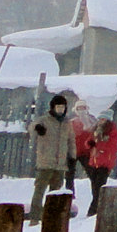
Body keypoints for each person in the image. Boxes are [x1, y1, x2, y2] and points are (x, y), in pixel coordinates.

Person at [26, 91, 74, 222]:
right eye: (58, 107)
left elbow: (71, 140)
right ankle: (34, 218)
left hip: (60, 164)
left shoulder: (66, 123)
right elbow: (32, 127)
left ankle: (50, 218)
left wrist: (72, 156)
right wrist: (38, 128)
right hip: (45, 162)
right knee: (39, 190)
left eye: (63, 107)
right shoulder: (44, 120)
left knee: (55, 192)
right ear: (53, 107)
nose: (60, 109)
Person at [83, 113, 117, 202]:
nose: (100, 121)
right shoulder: (95, 130)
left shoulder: (113, 131)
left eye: (103, 119)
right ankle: (96, 207)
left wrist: (99, 146)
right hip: (94, 162)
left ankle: (94, 209)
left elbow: (113, 146)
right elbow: (87, 143)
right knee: (94, 187)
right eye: (100, 119)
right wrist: (90, 144)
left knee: (99, 187)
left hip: (105, 162)